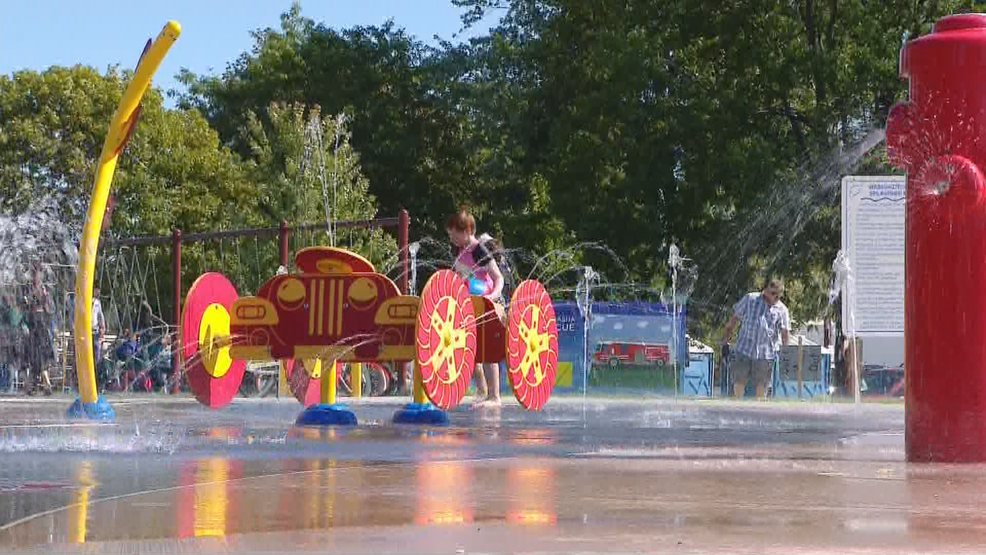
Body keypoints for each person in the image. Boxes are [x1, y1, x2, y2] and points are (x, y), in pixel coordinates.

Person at [446, 207, 505, 408]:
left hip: (484, 299)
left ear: (466, 231)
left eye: (453, 235)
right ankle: (481, 391)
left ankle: (494, 397)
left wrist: (492, 297)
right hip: (468, 300)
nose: (451, 239)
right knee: (471, 347)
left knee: (487, 349)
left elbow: (498, 277)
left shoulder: (479, 249)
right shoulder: (459, 249)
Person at [721, 279, 791, 400]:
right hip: (744, 349)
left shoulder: (782, 310)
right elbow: (734, 319)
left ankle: (760, 415)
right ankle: (735, 411)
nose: (775, 297)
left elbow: (785, 333)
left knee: (761, 391)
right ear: (765, 290)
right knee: (738, 385)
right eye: (773, 293)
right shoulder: (750, 299)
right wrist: (725, 341)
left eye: (778, 295)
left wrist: (786, 354)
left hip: (766, 355)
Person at [92, 287, 106, 368]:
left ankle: (96, 369)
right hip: (85, 332)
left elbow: (100, 315)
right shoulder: (82, 300)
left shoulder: (97, 302)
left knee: (96, 350)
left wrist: (102, 327)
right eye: (96, 290)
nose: (98, 292)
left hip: (95, 331)